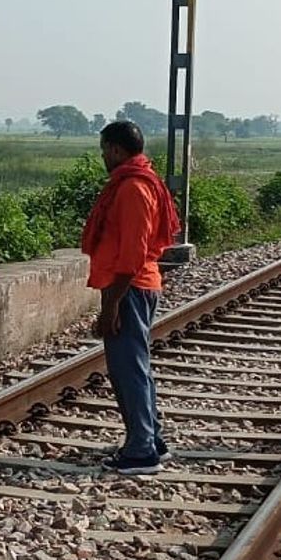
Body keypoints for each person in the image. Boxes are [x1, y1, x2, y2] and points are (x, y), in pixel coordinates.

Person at [81, 120, 181, 475]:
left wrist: (111, 307)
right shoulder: (138, 182)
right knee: (135, 366)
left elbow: (133, 254)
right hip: (134, 285)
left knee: (129, 370)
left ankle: (141, 452)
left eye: (105, 150)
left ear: (117, 150)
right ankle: (151, 439)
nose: (103, 156)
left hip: (131, 286)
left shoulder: (133, 189)